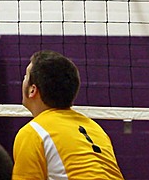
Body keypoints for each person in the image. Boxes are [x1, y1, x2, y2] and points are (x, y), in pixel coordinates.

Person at [12, 50, 125, 180]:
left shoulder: (33, 132)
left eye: (25, 76)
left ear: (32, 90)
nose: (23, 80)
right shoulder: (97, 130)